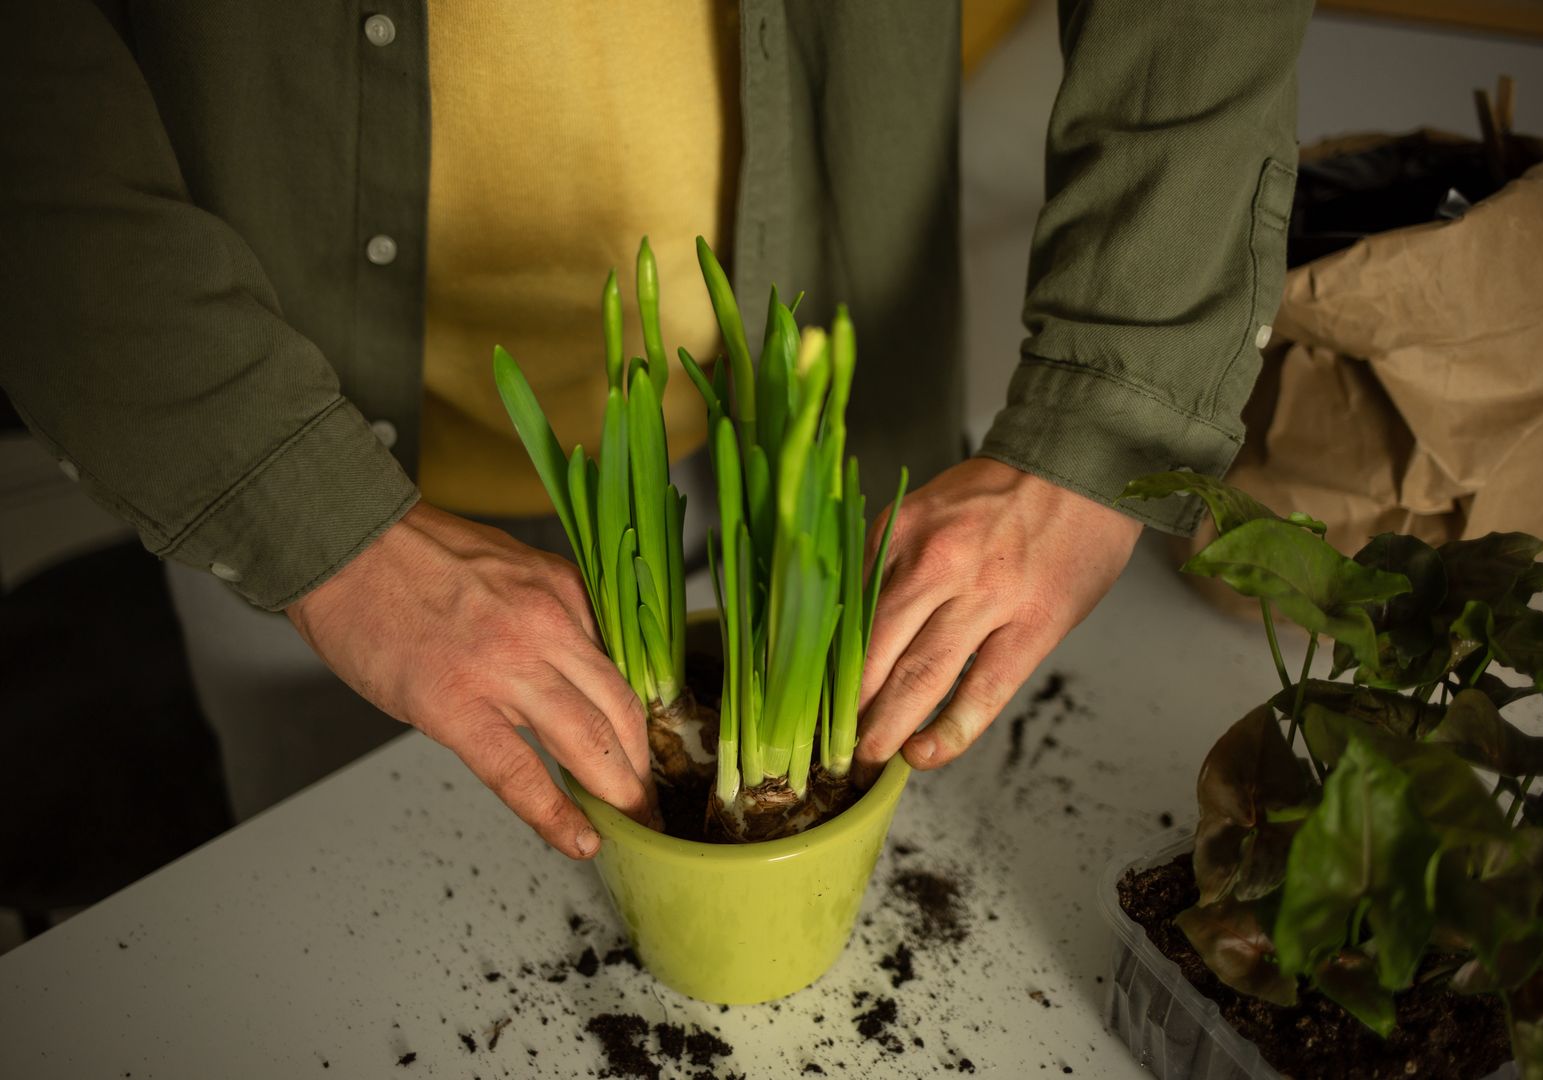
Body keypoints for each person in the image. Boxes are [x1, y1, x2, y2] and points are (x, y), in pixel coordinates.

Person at [0, 1, 1311, 857]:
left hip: (803, 409)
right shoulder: (274, 482)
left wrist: (1111, 403)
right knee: (323, 891)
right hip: (267, 406)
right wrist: (304, 515)